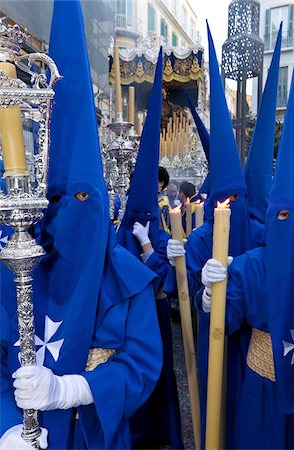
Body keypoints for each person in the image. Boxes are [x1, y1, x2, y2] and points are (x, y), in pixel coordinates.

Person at [0, 2, 162, 449]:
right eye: (57, 200)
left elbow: (143, 364)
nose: (70, 210)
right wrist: (5, 427)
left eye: (85, 200)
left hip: (97, 435)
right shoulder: (16, 271)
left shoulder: (127, 279)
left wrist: (73, 389)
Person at [165, 23, 281, 449]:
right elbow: (191, 304)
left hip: (258, 346)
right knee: (219, 413)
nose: (231, 204)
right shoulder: (200, 241)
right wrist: (202, 292)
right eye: (225, 196)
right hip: (218, 341)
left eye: (239, 196)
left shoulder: (259, 232)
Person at [200, 39, 294, 450]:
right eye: (283, 216)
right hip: (261, 388)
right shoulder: (255, 264)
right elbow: (226, 315)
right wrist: (210, 295)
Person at [117, 49, 183, 450]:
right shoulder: (124, 226)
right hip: (128, 321)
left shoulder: (156, 224)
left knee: (159, 374)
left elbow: (166, 281)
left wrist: (151, 247)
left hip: (156, 313)